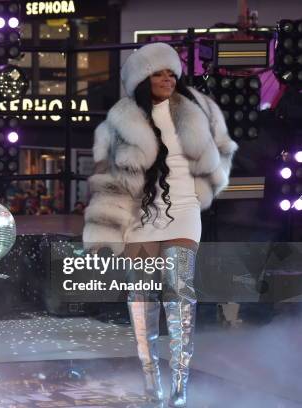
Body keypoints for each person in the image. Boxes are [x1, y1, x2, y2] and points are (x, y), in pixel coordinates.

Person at [83, 43, 237, 407]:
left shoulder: (200, 108)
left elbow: (224, 150)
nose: (168, 79)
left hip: (184, 210)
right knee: (142, 297)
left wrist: (209, 185)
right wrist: (105, 230)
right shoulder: (118, 122)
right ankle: (152, 382)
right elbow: (107, 181)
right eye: (158, 73)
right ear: (141, 79)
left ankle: (180, 388)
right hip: (140, 217)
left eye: (171, 72)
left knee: (180, 295)